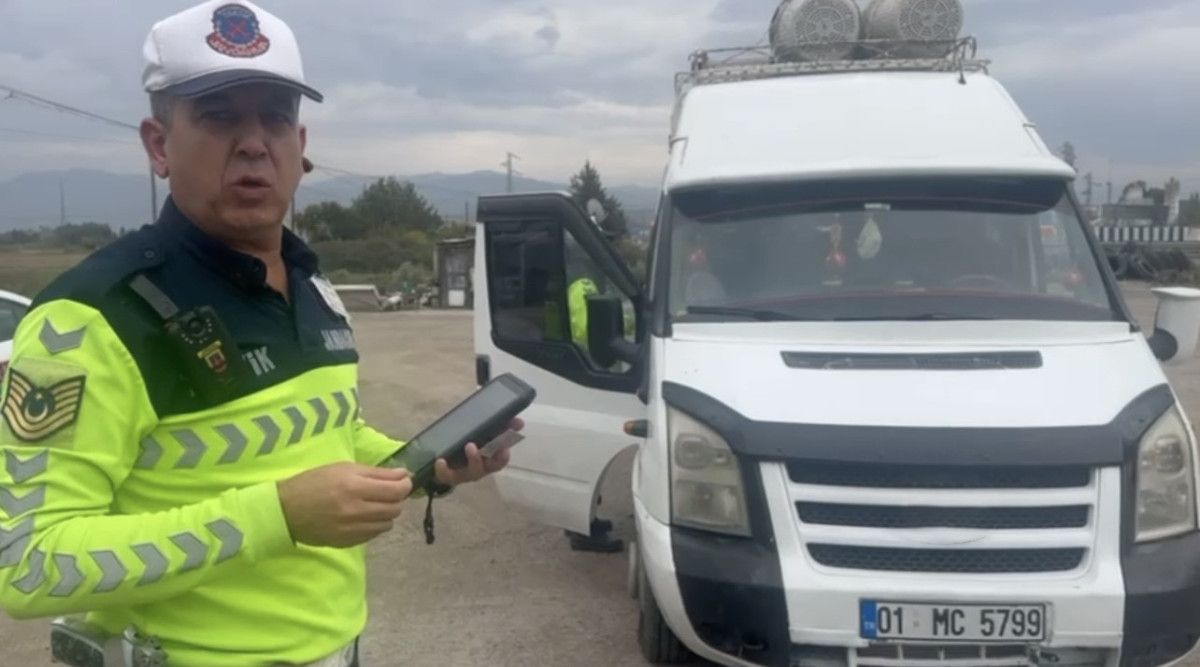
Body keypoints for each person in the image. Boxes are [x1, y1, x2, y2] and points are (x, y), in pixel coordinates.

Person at [0, 2, 520, 665]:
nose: (253, 143)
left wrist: (419, 466)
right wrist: (276, 516)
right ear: (158, 145)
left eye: (275, 118)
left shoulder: (313, 285)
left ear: (300, 148)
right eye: (219, 116)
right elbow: (30, 563)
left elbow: (330, 434)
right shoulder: (88, 318)